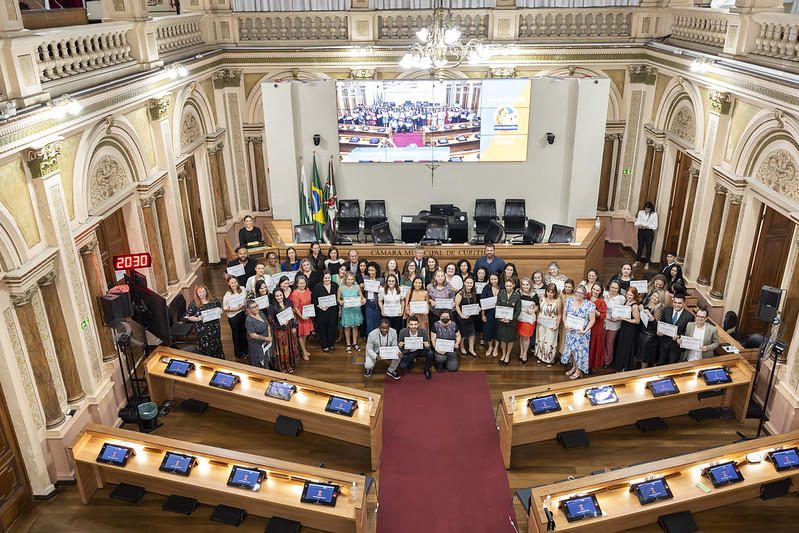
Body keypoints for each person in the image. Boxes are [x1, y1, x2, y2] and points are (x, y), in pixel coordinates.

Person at [562, 285, 596, 379]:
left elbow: (592, 320)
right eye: (577, 292)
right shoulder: (569, 301)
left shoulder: (589, 305)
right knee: (572, 351)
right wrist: (565, 324)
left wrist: (585, 330)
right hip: (571, 331)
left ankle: (578, 370)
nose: (578, 294)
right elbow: (564, 315)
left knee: (579, 351)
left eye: (580, 293)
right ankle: (574, 367)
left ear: (584, 294)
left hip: (582, 332)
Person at [186, 284, 223, 358]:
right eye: (199, 292)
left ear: (206, 291)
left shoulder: (213, 300)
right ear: (196, 293)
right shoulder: (193, 304)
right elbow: (189, 316)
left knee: (216, 343)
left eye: (203, 291)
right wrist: (197, 319)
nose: (202, 294)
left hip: (214, 328)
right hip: (202, 330)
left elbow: (220, 309)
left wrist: (220, 311)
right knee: (205, 346)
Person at [267, 287, 300, 373]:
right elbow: (270, 320)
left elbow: (293, 313)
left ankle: (291, 364)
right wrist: (280, 325)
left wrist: (294, 326)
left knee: (291, 346)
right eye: (277, 296)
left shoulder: (288, 301)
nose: (279, 297)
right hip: (280, 331)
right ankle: (284, 366)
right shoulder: (271, 306)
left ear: (283, 294)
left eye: (280, 295)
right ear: (274, 297)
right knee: (283, 349)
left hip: (290, 328)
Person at [658, 293, 693, 365]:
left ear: (684, 303)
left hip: (676, 347)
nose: (676, 305)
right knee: (661, 364)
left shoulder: (689, 316)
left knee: (672, 366)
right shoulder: (666, 310)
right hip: (664, 344)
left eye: (679, 303)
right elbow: (661, 323)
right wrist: (659, 331)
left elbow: (688, 333)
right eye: (675, 302)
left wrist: (679, 336)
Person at [614, 286, 641, 372]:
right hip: (623, 328)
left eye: (631, 295)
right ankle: (620, 366)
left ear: (634, 296)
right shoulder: (626, 302)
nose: (628, 296)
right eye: (627, 294)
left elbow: (637, 321)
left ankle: (625, 368)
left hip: (630, 330)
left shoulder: (635, 306)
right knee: (621, 347)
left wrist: (624, 319)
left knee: (627, 348)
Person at [398, 315, 434, 380]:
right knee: (402, 366)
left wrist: (427, 345)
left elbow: (429, 344)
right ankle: (411, 360)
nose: (413, 326)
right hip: (409, 351)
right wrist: (400, 345)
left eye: (415, 324)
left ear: (418, 324)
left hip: (420, 350)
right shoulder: (403, 331)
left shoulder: (423, 331)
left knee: (430, 353)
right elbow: (399, 344)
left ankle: (426, 368)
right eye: (411, 324)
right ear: (408, 324)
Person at [338, 271, 365, 353]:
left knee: (355, 327)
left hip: (356, 310)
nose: (350, 281)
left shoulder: (356, 286)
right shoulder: (340, 287)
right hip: (346, 310)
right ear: (345, 279)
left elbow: (361, 296)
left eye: (352, 279)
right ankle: (348, 344)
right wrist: (341, 302)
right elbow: (338, 299)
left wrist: (363, 299)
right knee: (347, 327)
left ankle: (355, 343)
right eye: (348, 279)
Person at [496, 279, 521, 366]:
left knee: (510, 339)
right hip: (502, 321)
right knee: (503, 339)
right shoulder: (501, 293)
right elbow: (497, 306)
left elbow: (518, 311)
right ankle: (503, 354)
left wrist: (510, 319)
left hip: (511, 322)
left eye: (510, 286)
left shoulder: (517, 296)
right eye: (506, 286)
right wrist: (500, 318)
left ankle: (507, 355)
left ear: (514, 285)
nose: (508, 288)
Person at [535, 283, 561, 366]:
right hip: (541, 322)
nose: (549, 294)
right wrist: (537, 318)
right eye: (548, 292)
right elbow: (538, 309)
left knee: (550, 341)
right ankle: (540, 356)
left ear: (555, 293)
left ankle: (549, 359)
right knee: (541, 339)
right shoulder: (542, 297)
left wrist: (557, 325)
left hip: (552, 323)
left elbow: (559, 314)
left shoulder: (558, 300)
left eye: (552, 292)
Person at [312, 271, 339, 353]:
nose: (327, 279)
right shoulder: (317, 287)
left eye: (329, 278)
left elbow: (338, 297)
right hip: (322, 312)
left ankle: (331, 344)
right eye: (325, 278)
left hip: (333, 311)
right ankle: (324, 346)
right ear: (322, 278)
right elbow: (313, 300)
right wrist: (319, 306)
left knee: (332, 328)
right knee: (322, 329)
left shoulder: (335, 285)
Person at [222, 276, 248, 359]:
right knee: (236, 334)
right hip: (233, 316)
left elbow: (247, 297)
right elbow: (225, 308)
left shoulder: (243, 289)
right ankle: (238, 353)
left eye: (235, 282)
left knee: (243, 332)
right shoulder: (227, 295)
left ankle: (245, 349)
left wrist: (246, 302)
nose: (234, 284)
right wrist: (234, 309)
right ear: (228, 283)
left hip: (243, 313)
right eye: (232, 283)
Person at [289, 275, 314, 360]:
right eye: (300, 283)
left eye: (304, 283)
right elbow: (295, 308)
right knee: (301, 335)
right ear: (296, 284)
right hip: (300, 317)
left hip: (307, 315)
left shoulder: (307, 290)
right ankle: (303, 352)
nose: (303, 285)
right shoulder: (295, 293)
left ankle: (304, 348)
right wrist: (302, 316)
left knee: (306, 334)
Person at [637, 289, 664, 368]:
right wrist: (640, 306)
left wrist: (649, 315)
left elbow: (656, 325)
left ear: (660, 300)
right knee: (641, 355)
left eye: (657, 298)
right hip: (642, 331)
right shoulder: (647, 302)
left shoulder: (658, 309)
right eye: (654, 296)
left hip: (650, 335)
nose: (654, 298)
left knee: (645, 358)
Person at [454, 275, 479, 357]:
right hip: (462, 317)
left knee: (472, 333)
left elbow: (475, 304)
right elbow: (456, 305)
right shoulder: (460, 293)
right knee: (463, 334)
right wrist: (461, 315)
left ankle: (471, 349)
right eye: (467, 283)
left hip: (471, 317)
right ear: (464, 283)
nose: (469, 284)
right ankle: (462, 347)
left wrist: (478, 308)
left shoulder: (474, 292)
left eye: (471, 283)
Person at [603, 280, 626, 368]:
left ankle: (607, 361)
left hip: (614, 324)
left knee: (609, 343)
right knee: (602, 342)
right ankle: (600, 359)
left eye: (616, 288)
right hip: (603, 322)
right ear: (609, 286)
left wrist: (616, 319)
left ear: (619, 289)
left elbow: (624, 312)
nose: (613, 289)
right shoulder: (604, 294)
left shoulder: (621, 298)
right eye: (612, 287)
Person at [517, 277, 539, 364]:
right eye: (523, 284)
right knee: (521, 336)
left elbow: (537, 307)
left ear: (530, 285)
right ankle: (521, 352)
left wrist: (533, 310)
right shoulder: (518, 293)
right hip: (520, 317)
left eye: (527, 284)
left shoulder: (534, 295)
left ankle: (525, 353)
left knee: (526, 337)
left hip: (529, 318)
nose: (525, 286)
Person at [245, 299, 272, 368]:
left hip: (266, 342)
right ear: (248, 310)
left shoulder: (260, 313)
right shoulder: (249, 320)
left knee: (266, 359)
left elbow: (267, 324)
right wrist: (266, 338)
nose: (256, 308)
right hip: (257, 345)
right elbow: (253, 335)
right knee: (258, 363)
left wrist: (269, 336)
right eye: (253, 307)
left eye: (256, 306)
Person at [480, 272, 502, 357]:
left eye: (495, 279)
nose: (493, 281)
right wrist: (483, 315)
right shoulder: (486, 288)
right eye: (492, 279)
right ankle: (490, 347)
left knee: (498, 331)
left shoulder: (502, 287)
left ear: (498, 279)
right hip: (488, 313)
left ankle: (496, 347)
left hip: (500, 313)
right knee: (488, 330)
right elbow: (482, 302)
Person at [634, 201, 658, 270]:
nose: (647, 210)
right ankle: (637, 261)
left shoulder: (654, 214)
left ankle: (647, 263)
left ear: (651, 209)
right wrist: (639, 225)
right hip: (641, 230)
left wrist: (649, 227)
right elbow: (637, 221)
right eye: (646, 209)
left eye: (648, 209)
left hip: (649, 232)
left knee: (649, 247)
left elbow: (655, 226)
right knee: (640, 246)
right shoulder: (641, 212)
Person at [588, 283, 607, 371]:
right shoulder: (587, 296)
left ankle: (591, 365)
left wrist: (594, 310)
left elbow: (603, 316)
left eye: (597, 290)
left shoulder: (601, 301)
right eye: (594, 289)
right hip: (586, 325)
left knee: (593, 346)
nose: (595, 292)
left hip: (596, 327)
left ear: (600, 292)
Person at [362, 262, 384, 335]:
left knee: (377, 322)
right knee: (369, 322)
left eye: (372, 270)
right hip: (368, 302)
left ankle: (377, 339)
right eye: (369, 270)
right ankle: (369, 340)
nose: (370, 272)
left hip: (377, 303)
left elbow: (384, 293)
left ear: (376, 271)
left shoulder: (381, 280)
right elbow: (361, 291)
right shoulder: (365, 278)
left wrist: (381, 289)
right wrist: (361, 286)